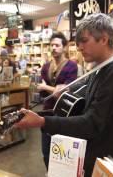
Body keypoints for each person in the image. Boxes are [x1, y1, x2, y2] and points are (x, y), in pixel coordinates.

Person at [15, 13, 113, 176]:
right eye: (78, 42)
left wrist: (42, 121)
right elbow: (83, 100)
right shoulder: (99, 68)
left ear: (103, 39)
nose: (79, 47)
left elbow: (93, 123)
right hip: (96, 153)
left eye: (84, 41)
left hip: (109, 159)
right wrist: (65, 91)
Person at [37, 32, 78, 170]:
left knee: (61, 151)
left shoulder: (71, 66)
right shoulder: (45, 67)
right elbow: (42, 93)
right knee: (46, 150)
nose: (54, 47)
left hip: (63, 113)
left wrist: (45, 86)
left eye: (57, 45)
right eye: (52, 45)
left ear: (64, 47)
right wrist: (49, 89)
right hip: (47, 112)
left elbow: (64, 93)